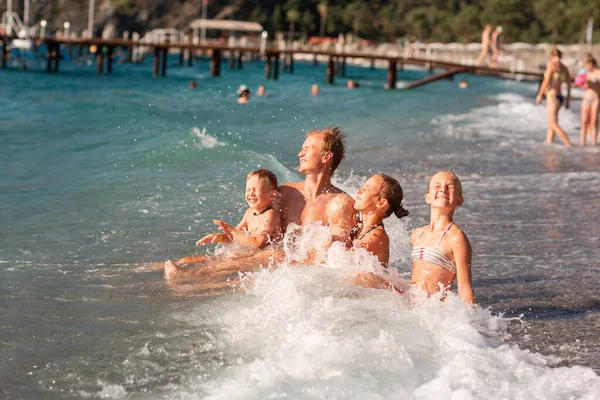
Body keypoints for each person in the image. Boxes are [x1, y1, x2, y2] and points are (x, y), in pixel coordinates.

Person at [164, 126, 355, 281]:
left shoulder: (340, 203)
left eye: (307, 149)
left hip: (304, 274)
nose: (300, 153)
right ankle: (170, 272)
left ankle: (190, 276)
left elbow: (340, 254)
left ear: (325, 157)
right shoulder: (284, 193)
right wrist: (227, 238)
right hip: (271, 261)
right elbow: (260, 232)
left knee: (276, 256)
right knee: (191, 260)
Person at [164, 169, 282, 279]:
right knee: (187, 260)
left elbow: (258, 243)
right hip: (250, 254)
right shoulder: (249, 213)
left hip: (264, 257)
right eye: (248, 189)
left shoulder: (270, 215)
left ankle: (187, 274)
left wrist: (232, 231)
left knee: (223, 264)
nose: (250, 193)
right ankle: (171, 266)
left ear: (272, 195)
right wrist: (219, 237)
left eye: (255, 190)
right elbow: (234, 239)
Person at [411, 171, 475, 304]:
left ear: (459, 200)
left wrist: (472, 321)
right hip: (413, 309)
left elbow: (464, 287)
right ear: (427, 197)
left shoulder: (456, 238)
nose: (443, 189)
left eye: (450, 187)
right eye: (437, 186)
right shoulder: (418, 234)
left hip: (435, 311)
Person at [348, 174, 409, 291]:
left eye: (367, 189)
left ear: (381, 203)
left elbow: (344, 257)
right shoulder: (358, 227)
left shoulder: (377, 236)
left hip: (371, 294)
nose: (359, 190)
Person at [536, 47, 573, 147]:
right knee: (551, 125)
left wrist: (540, 94)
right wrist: (568, 100)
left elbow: (546, 81)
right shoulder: (564, 67)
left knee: (553, 124)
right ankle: (549, 145)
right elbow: (569, 85)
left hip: (552, 96)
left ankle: (569, 144)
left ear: (551, 56)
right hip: (560, 98)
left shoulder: (551, 65)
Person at [581, 54, 600, 146]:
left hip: (595, 99)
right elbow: (585, 87)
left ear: (592, 63)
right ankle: (582, 143)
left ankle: (593, 144)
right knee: (584, 122)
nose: (586, 67)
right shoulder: (586, 73)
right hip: (586, 98)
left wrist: (593, 85)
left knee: (593, 122)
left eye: (587, 64)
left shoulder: (598, 72)